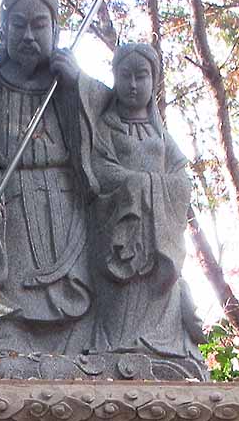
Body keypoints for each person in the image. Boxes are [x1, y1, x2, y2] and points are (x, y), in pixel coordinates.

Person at [0, 0, 92, 357]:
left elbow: (105, 138)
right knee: (10, 286)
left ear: (55, 30)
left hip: (65, 200)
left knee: (73, 287)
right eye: (19, 25)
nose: (29, 35)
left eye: (39, 25)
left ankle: (77, 335)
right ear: (4, 31)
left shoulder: (67, 84)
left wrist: (77, 87)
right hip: (11, 199)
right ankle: (5, 331)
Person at [81, 43, 207, 367]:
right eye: (125, 76)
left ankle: (162, 346)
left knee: (158, 288)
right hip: (120, 229)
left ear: (154, 81)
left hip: (157, 236)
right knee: (122, 292)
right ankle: (116, 348)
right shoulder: (107, 127)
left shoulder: (160, 133)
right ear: (115, 78)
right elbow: (100, 168)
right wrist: (136, 184)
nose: (133, 84)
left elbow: (180, 172)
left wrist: (158, 188)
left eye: (141, 76)